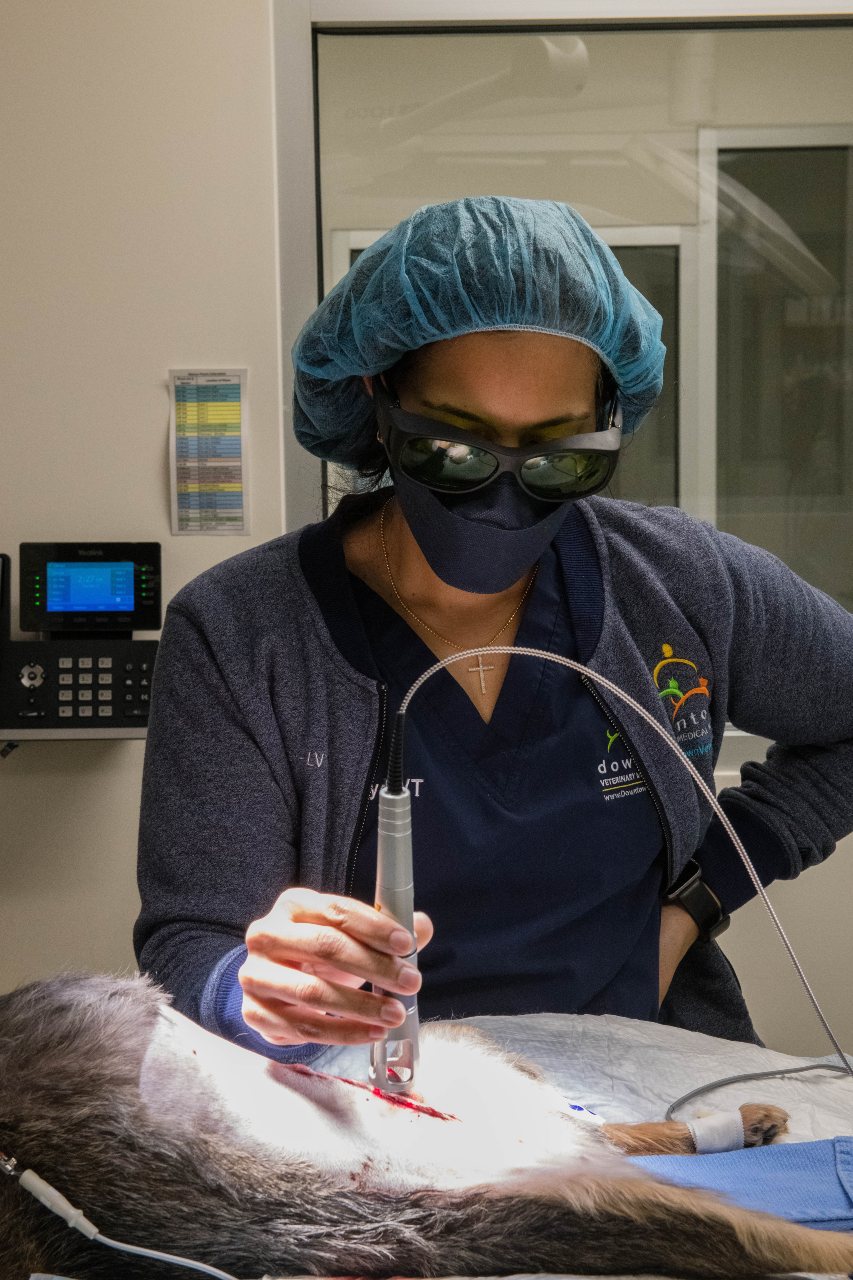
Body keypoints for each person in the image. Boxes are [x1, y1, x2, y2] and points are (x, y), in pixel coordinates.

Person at [134, 196, 853, 1063]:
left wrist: (698, 901)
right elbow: (189, 941)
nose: (503, 500)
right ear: (375, 396)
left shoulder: (680, 586)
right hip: (365, 1106)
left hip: (650, 1091)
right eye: (454, 450)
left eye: (559, 457)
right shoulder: (244, 634)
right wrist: (253, 991)